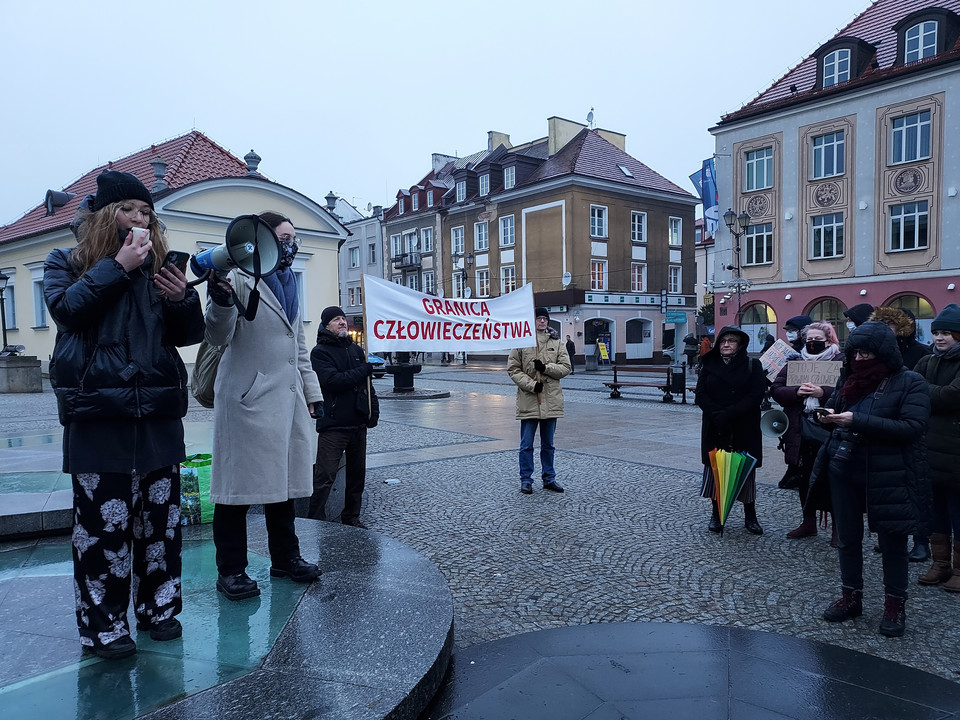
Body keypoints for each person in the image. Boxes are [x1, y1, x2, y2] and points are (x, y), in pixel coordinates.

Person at [44, 170, 205, 659]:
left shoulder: (157, 266)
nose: (140, 219)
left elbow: (187, 334)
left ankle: (159, 610)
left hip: (156, 414)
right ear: (103, 215)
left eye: (147, 212)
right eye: (129, 210)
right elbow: (67, 311)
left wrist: (181, 298)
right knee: (101, 533)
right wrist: (116, 266)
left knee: (162, 527)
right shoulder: (67, 262)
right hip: (98, 416)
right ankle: (104, 626)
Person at [205, 211, 322, 601]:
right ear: (264, 241)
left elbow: (298, 346)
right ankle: (231, 570)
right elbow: (218, 335)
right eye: (284, 237)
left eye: (294, 238)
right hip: (247, 402)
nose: (291, 244)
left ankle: (285, 557)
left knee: (283, 488)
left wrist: (313, 394)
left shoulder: (290, 283)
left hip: (285, 403)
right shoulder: (237, 276)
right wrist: (220, 303)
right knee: (235, 492)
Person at [813, 321, 930, 637]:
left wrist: (858, 420)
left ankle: (895, 605)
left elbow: (912, 427)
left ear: (884, 353)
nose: (860, 358)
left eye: (867, 352)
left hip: (888, 472)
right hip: (844, 467)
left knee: (892, 541)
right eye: (856, 352)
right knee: (848, 538)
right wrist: (827, 416)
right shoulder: (849, 379)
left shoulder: (910, 382)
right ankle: (851, 596)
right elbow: (838, 409)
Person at [870, 306, 933, 561]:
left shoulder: (920, 353)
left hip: (911, 425)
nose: (887, 328)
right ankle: (893, 537)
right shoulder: (879, 354)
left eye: (891, 324)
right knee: (890, 488)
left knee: (915, 487)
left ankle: (921, 541)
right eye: (882, 323)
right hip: (883, 424)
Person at [770, 321, 842, 539]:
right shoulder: (795, 361)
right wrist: (796, 392)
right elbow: (776, 388)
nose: (812, 343)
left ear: (829, 340)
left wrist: (823, 391)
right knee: (805, 478)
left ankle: (838, 527)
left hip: (830, 428)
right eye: (808, 340)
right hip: (801, 430)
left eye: (817, 340)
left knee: (834, 479)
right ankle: (808, 521)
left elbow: (847, 390)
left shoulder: (841, 360)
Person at [309, 306, 380, 527]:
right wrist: (364, 370)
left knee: (357, 475)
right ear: (326, 325)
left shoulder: (356, 351)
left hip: (357, 423)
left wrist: (373, 411)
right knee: (325, 476)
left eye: (343, 318)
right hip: (334, 425)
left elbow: (367, 386)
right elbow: (333, 381)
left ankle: (352, 516)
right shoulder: (320, 352)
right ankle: (314, 518)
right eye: (336, 319)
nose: (342, 322)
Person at [695, 326, 767, 534]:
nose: (726, 344)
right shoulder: (709, 364)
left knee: (745, 471)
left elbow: (755, 395)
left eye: (732, 341)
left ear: (740, 344)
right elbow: (701, 394)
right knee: (716, 471)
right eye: (723, 340)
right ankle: (716, 515)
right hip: (716, 426)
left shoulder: (752, 364)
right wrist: (717, 414)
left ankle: (750, 516)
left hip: (743, 425)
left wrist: (731, 413)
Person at [914, 304, 960, 592]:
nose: (940, 338)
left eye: (946, 333)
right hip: (929, 450)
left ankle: (959, 569)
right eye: (937, 332)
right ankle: (940, 563)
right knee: (936, 512)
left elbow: (952, 397)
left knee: (959, 513)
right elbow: (910, 389)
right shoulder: (927, 361)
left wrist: (924, 391)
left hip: (956, 453)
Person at [508, 307, 571, 494]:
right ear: (532, 320)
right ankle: (526, 479)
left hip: (550, 400)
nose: (542, 321)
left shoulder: (557, 343)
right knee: (526, 445)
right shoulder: (521, 342)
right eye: (539, 318)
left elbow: (565, 367)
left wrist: (545, 368)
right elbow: (513, 369)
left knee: (548, 444)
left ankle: (549, 478)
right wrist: (531, 385)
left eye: (545, 318)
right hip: (529, 399)